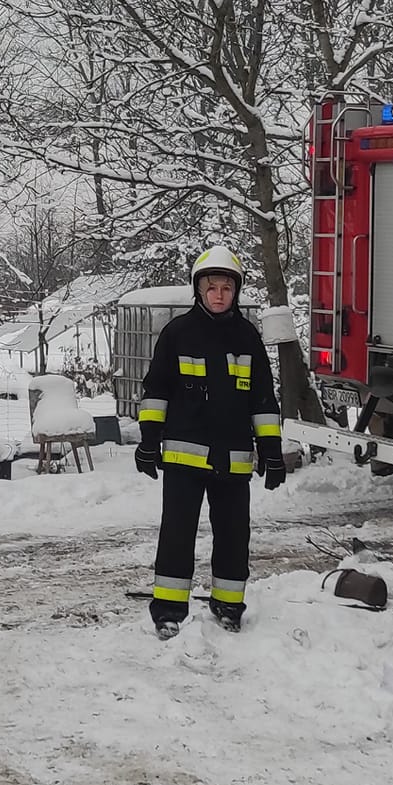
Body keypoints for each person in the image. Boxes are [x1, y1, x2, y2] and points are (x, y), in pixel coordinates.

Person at [134, 245, 284, 637]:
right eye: (211, 287)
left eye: (226, 288)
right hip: (184, 460)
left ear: (235, 292)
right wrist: (149, 440)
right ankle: (168, 611)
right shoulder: (177, 333)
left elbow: (263, 400)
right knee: (177, 536)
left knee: (235, 538)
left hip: (233, 461)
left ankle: (229, 605)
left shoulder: (248, 338)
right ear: (198, 290)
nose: (219, 295)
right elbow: (155, 392)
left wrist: (272, 450)